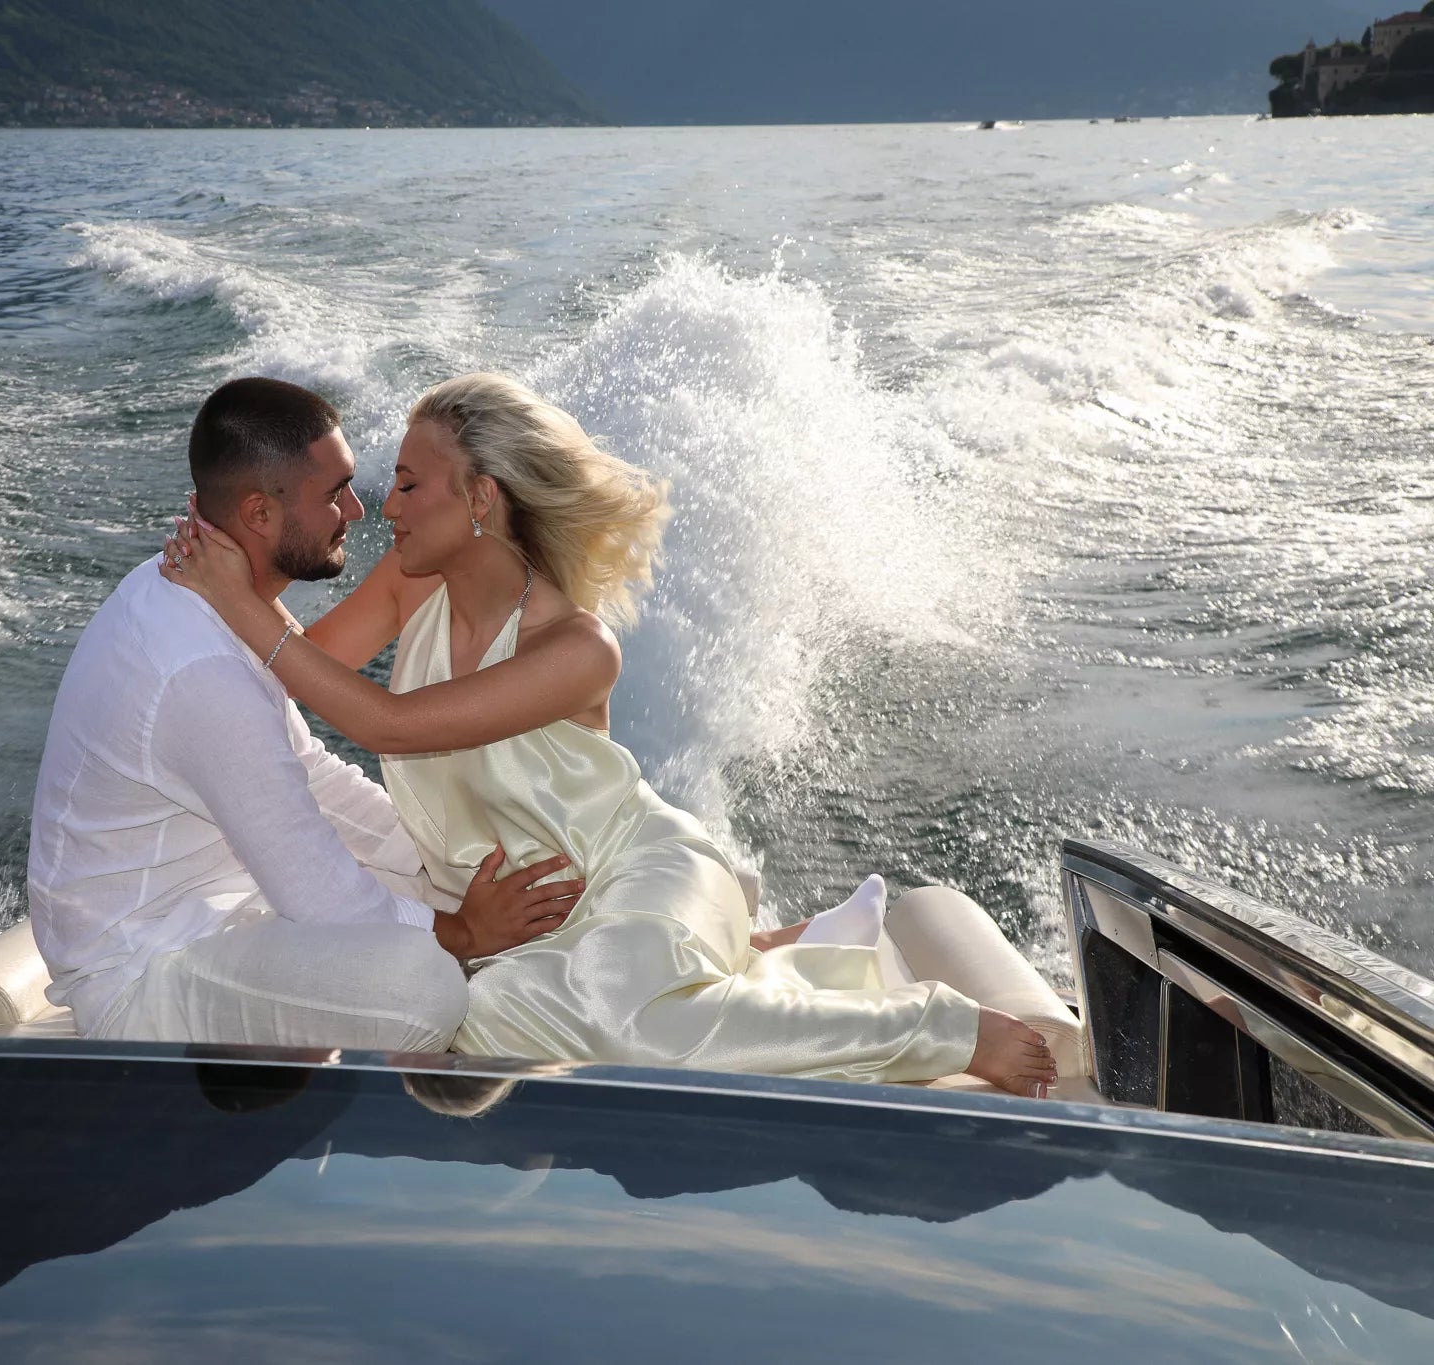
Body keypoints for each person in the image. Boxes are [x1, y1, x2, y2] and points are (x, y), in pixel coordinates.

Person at [161, 372, 1057, 1096]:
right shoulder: (408, 581)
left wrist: (237, 601)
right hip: (514, 916)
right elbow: (294, 672)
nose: (380, 506)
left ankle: (941, 1024)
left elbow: (380, 719)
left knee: (627, 1022)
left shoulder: (576, 647)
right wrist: (233, 572)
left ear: (480, 497)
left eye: (405, 481)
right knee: (453, 1016)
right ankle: (771, 956)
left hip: (635, 874)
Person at [27, 377, 582, 1052]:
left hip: (223, 906)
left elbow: (310, 774)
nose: (357, 507)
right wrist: (463, 929)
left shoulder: (214, 600)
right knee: (425, 985)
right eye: (334, 493)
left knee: (457, 866)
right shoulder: (198, 666)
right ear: (259, 513)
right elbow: (322, 898)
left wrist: (447, 862)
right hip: (142, 967)